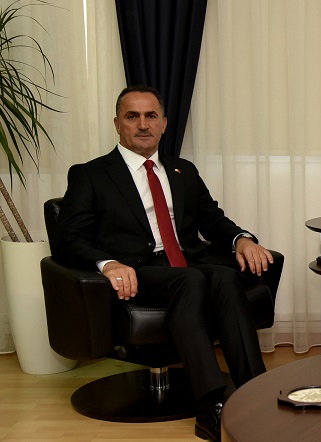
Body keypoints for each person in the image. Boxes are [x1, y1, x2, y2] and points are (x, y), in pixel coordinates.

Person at [56, 85, 275, 442]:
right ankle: (210, 405)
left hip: (185, 261)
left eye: (151, 116)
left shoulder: (182, 170)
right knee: (191, 281)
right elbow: (68, 237)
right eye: (132, 116)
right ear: (117, 124)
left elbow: (212, 219)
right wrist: (107, 263)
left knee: (224, 276)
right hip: (137, 270)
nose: (143, 124)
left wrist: (242, 239)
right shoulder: (91, 174)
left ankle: (255, 392)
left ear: (164, 124)